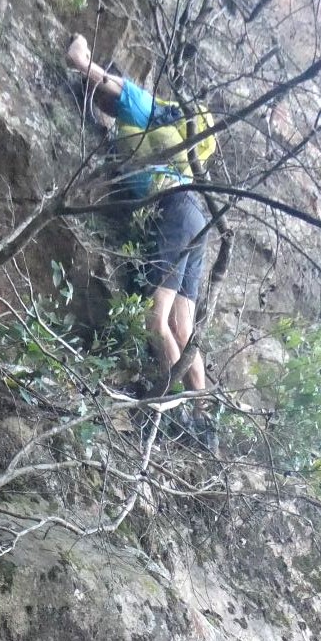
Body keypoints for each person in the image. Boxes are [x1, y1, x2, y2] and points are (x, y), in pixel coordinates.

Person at [66, 34, 214, 396]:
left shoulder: (143, 106)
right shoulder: (146, 130)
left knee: (155, 319)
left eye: (99, 92)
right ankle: (201, 415)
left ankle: (168, 402)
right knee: (183, 328)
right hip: (196, 214)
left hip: (175, 210)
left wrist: (84, 54)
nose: (98, 100)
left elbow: (87, 67)